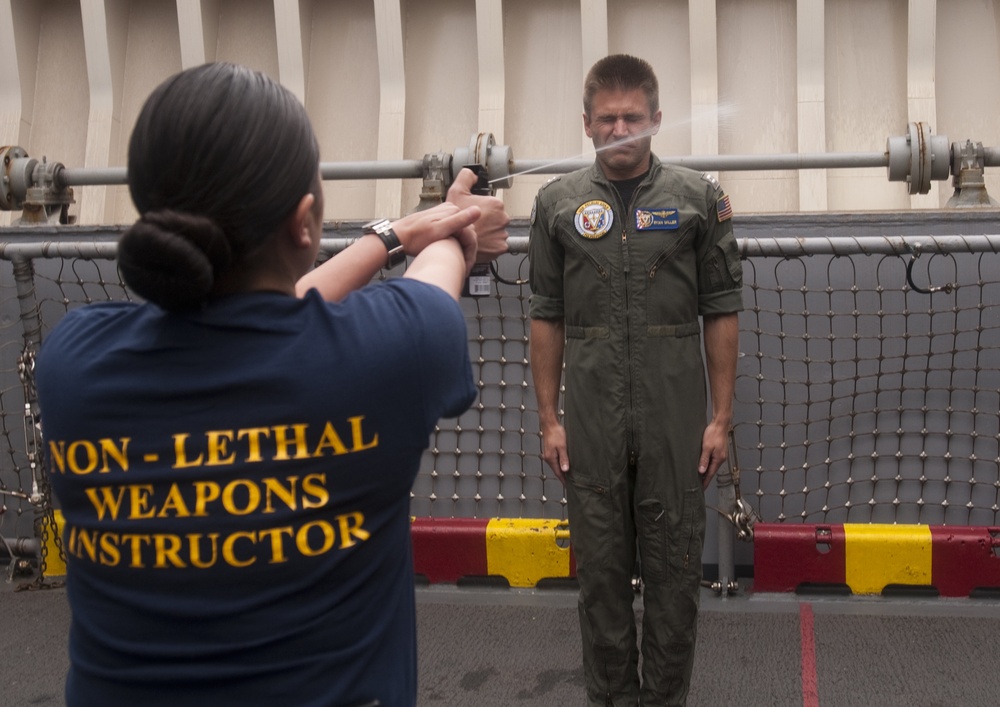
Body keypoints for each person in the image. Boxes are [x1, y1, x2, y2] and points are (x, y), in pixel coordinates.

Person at [35, 62, 508, 707]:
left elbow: (277, 312)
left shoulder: (74, 361)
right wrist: (453, 227)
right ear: (304, 221)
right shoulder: (397, 351)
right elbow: (436, 275)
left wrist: (397, 233)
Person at [527, 54, 743, 706]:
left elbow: (722, 310)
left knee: (676, 577)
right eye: (607, 118)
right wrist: (549, 420)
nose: (619, 128)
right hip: (589, 426)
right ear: (588, 125)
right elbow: (546, 316)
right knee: (599, 579)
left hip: (675, 427)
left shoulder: (697, 200)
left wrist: (719, 418)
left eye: (632, 117)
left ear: (655, 119)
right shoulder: (557, 205)